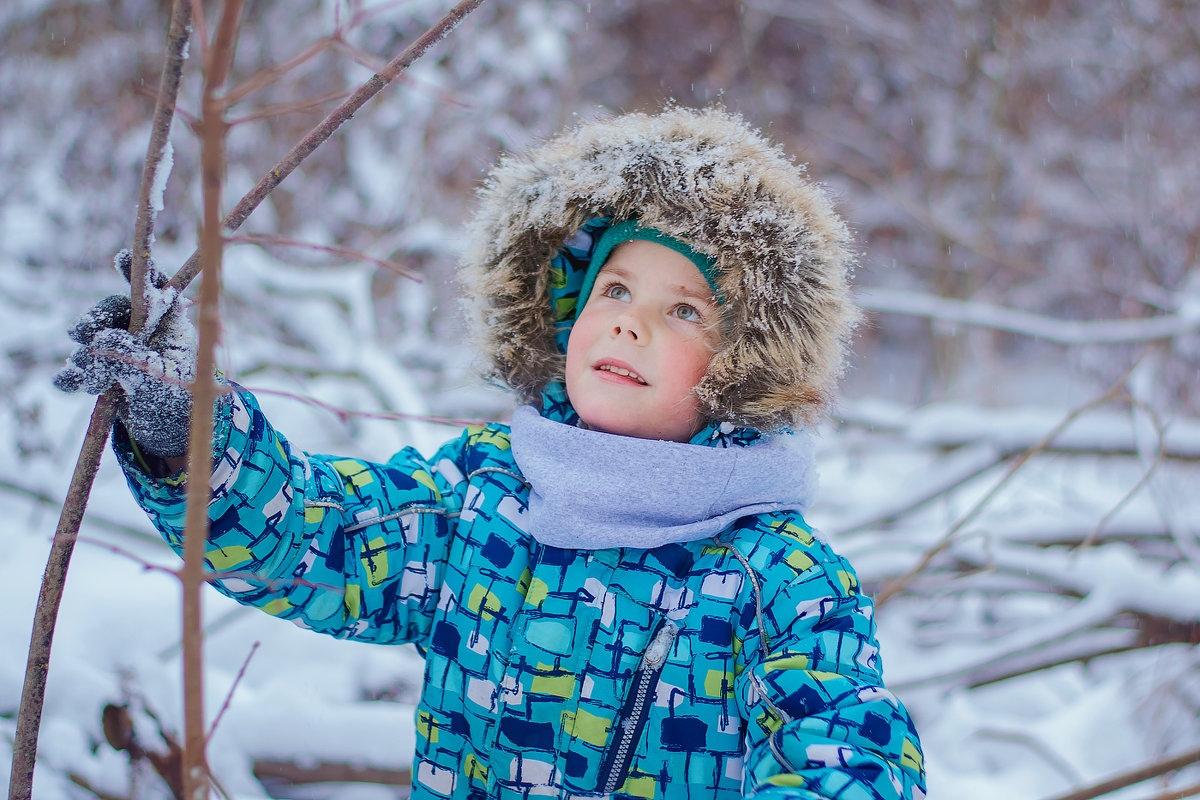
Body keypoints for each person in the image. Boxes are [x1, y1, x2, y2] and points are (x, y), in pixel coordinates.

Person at [58, 107, 926, 799]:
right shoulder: (481, 504)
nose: (629, 319)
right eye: (615, 288)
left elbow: (852, 758)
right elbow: (314, 539)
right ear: (565, 313)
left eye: (685, 310)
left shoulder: (778, 580)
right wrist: (187, 428)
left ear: (743, 366)